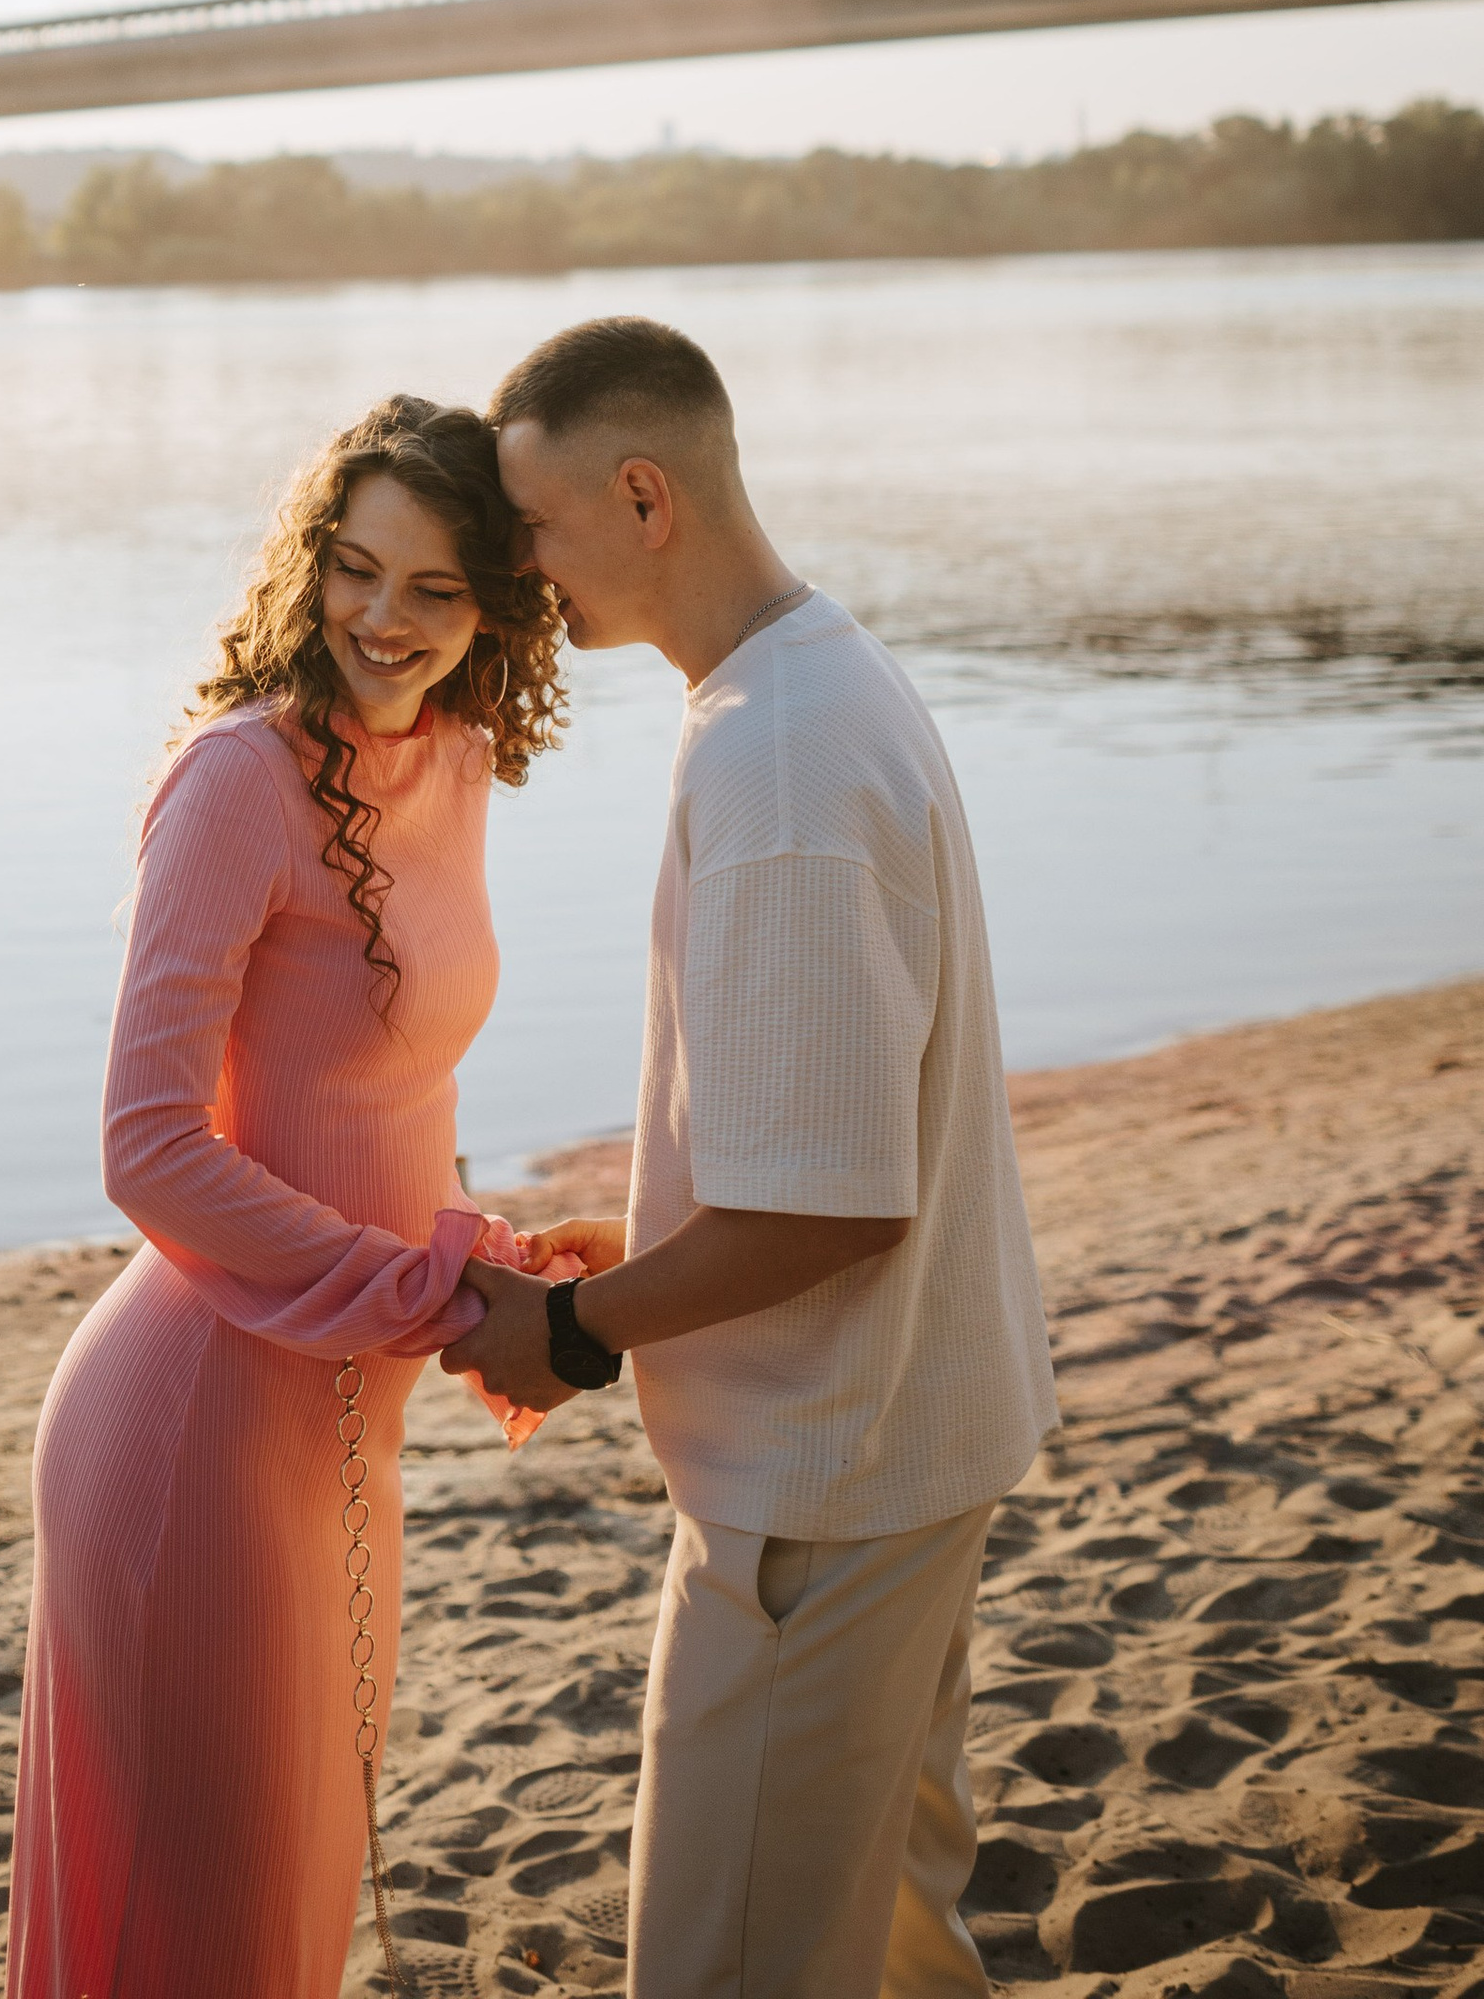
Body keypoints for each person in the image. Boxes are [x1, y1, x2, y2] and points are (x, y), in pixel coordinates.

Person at [450, 313, 1057, 1999]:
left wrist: (568, 1335)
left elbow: (831, 1209)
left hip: (822, 1483)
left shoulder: (778, 757)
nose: (522, 576)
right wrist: (637, 1234)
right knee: (886, 1946)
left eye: (535, 529)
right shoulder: (820, 674)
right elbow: (829, 1130)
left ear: (645, 495)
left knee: (727, 1969)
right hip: (915, 1441)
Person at [7, 394, 569, 1999]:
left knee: (290, 1912)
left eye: (437, 590)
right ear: (307, 561)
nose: (384, 620)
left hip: (343, 1422)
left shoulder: (455, 762)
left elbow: (387, 1108)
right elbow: (150, 1146)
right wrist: (433, 1297)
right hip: (194, 1426)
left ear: (495, 609)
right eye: (355, 567)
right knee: (207, 1933)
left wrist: (494, 1256)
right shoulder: (238, 779)